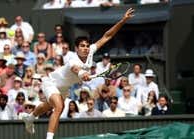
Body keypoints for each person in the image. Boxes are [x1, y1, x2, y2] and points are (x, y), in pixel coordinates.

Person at [22, 8, 134, 139]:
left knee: (48, 105)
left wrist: (123, 20)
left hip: (63, 87)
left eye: (87, 45)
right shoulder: (72, 59)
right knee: (59, 107)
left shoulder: (91, 50)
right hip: (51, 82)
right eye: (82, 46)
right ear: (76, 48)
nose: (86, 48)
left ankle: (30, 118)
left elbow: (107, 36)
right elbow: (75, 68)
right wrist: (82, 74)